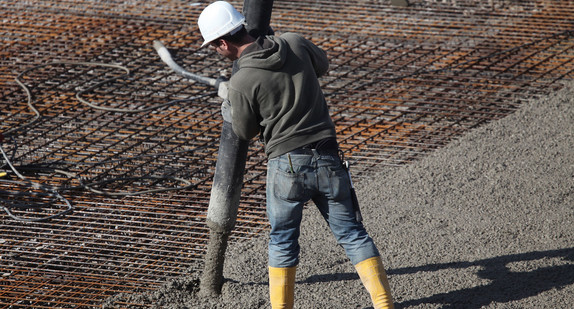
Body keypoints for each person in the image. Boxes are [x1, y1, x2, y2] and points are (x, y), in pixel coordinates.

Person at [198, 2, 394, 308]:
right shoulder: (294, 42)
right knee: (353, 235)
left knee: (282, 242)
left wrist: (232, 104)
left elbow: (246, 132)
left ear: (223, 42)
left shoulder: (241, 82)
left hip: (286, 167)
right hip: (328, 158)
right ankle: (385, 305)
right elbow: (322, 66)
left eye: (213, 46)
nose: (215, 51)